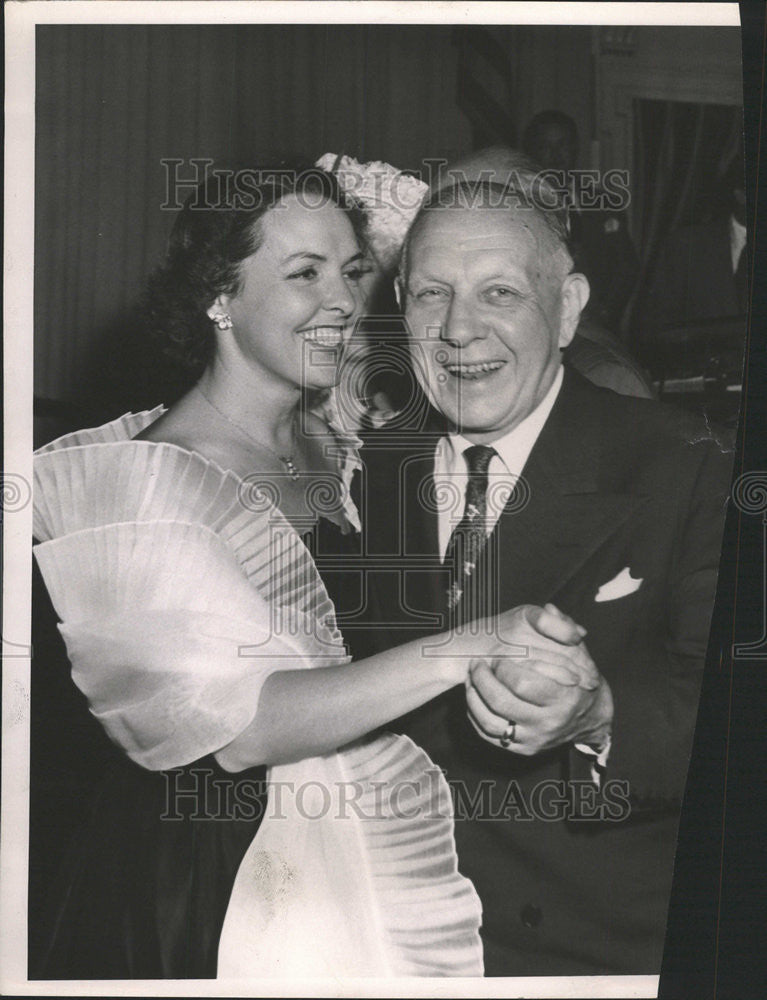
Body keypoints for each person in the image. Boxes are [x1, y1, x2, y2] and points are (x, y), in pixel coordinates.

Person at [31, 164, 599, 979]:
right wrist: (477, 643)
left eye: (352, 270)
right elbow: (246, 727)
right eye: (304, 274)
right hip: (213, 879)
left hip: (348, 854)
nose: (342, 300)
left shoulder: (336, 445)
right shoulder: (143, 485)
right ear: (217, 298)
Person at [338, 172, 734, 974]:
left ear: (568, 308)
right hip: (387, 936)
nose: (458, 330)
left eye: (499, 293)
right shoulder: (368, 470)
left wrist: (601, 719)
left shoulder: (693, 464)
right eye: (430, 295)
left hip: (595, 950)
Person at [522, 110, 639, 334]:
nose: (556, 155)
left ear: (576, 148)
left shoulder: (605, 203)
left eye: (563, 145)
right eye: (545, 147)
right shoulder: (517, 205)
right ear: (531, 153)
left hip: (598, 331)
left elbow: (627, 266)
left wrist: (606, 313)